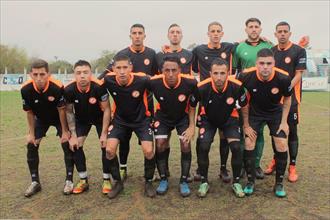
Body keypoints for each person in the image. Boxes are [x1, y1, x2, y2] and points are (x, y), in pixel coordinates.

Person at [99, 24, 157, 181]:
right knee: (123, 140)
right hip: (123, 103)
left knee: (147, 146)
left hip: (144, 103)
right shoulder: (122, 54)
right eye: (134, 33)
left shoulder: (152, 53)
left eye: (140, 33)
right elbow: (103, 76)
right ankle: (122, 168)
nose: (137, 36)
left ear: (145, 35)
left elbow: (158, 77)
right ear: (130, 35)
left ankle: (150, 176)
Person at [238, 48, 292, 197]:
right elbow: (242, 101)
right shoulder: (246, 76)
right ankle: (250, 181)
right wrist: (246, 125)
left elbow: (287, 99)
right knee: (249, 143)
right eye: (262, 63)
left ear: (274, 63)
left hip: (275, 113)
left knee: (281, 144)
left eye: (269, 63)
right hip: (255, 113)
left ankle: (279, 183)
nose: (265, 67)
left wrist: (284, 122)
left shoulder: (283, 78)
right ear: (256, 64)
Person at [103, 55, 156, 199]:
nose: (122, 71)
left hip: (142, 121)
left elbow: (160, 84)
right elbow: (93, 84)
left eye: (125, 67)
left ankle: (148, 182)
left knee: (149, 151)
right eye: (118, 68)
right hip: (120, 121)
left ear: (131, 68)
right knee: (109, 150)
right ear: (113, 69)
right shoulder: (109, 80)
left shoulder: (143, 79)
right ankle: (118, 183)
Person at [195, 58, 247, 198]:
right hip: (208, 119)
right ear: (210, 73)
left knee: (236, 147)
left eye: (222, 73)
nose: (219, 77)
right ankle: (204, 181)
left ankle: (236, 182)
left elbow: (244, 105)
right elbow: (192, 105)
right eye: (216, 73)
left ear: (228, 73)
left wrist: (246, 126)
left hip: (229, 118)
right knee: (204, 146)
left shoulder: (236, 86)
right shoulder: (202, 86)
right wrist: (191, 125)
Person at [21, 59, 72, 197]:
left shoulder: (57, 87)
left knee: (66, 142)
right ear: (30, 74)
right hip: (41, 119)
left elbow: (62, 110)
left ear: (48, 74)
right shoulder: (25, 89)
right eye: (35, 74)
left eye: (42, 74)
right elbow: (30, 113)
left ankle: (69, 180)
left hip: (58, 118)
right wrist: (31, 134)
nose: (39, 78)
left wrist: (65, 132)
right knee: (31, 144)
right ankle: (35, 182)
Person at [192, 21, 236, 183]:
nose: (216, 33)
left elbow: (248, 43)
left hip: (224, 97)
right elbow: (185, 62)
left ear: (222, 33)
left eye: (218, 31)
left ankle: (223, 168)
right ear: (208, 33)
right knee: (202, 137)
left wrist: (265, 40)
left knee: (224, 134)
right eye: (213, 31)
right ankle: (199, 167)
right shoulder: (198, 50)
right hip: (205, 98)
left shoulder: (229, 47)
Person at [149, 56, 198, 197]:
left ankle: (183, 181)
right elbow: (141, 94)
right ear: (161, 71)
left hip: (182, 117)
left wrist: (191, 126)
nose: (170, 74)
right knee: (160, 144)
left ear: (179, 70)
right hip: (162, 117)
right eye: (167, 70)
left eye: (174, 70)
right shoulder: (153, 83)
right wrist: (148, 116)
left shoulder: (190, 83)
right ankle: (163, 179)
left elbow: (193, 105)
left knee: (185, 144)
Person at [264, 22, 306, 183]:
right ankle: (276, 159)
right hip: (275, 100)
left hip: (292, 99)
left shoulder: (298, 50)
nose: (282, 34)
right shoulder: (272, 51)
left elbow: (298, 74)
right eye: (279, 31)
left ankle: (292, 166)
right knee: (277, 133)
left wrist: (286, 89)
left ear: (290, 33)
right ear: (275, 34)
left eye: (285, 31)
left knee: (292, 132)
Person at [233, 18, 274, 180]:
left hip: (262, 96)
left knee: (260, 132)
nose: (254, 29)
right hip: (244, 96)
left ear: (261, 29)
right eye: (251, 27)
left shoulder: (268, 46)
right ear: (246, 30)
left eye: (256, 27)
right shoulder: (239, 48)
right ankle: (245, 165)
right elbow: (236, 72)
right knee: (244, 130)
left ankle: (256, 165)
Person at [64, 60, 112, 195]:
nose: (82, 76)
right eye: (78, 73)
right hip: (82, 120)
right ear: (74, 75)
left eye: (85, 72)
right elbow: (68, 111)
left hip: (100, 118)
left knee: (106, 144)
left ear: (91, 73)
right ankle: (83, 179)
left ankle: (106, 179)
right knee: (75, 145)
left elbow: (107, 109)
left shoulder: (99, 86)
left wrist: (103, 133)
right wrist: (72, 134)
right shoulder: (69, 89)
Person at [155, 24, 194, 181]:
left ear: (182, 35)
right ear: (168, 35)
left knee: (184, 142)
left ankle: (186, 173)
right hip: (164, 105)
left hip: (182, 105)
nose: (175, 35)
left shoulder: (189, 54)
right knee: (163, 140)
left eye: (178, 32)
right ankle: (164, 171)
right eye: (172, 32)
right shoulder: (159, 55)